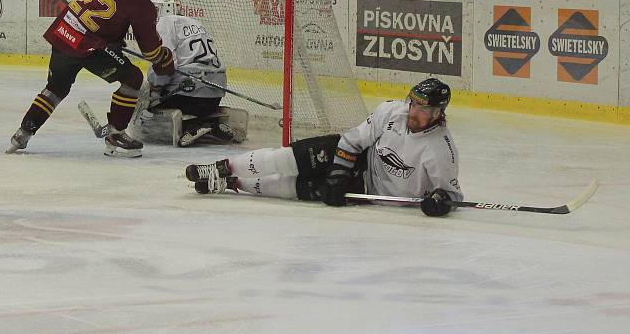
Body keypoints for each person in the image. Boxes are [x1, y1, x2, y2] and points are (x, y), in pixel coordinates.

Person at [184, 78, 462, 217]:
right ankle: (222, 167)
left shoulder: (440, 150)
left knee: (293, 188)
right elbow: (352, 141)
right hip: (353, 161)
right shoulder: (391, 112)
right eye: (413, 103)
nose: (414, 111)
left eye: (423, 108)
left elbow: (452, 194)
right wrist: (340, 171)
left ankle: (233, 184)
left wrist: (439, 203)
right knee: (287, 159)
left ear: (438, 113)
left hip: (363, 192)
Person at [7, 0, 175, 158]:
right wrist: (165, 60)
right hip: (88, 46)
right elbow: (151, 52)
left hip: (63, 32)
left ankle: (22, 133)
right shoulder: (142, 5)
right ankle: (116, 134)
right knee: (133, 78)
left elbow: (99, 13)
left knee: (55, 89)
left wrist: (111, 39)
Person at [131, 0, 247, 147]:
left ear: (164, 8)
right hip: (214, 96)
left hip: (188, 96)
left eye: (156, 9)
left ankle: (190, 127)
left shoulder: (164, 23)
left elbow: (165, 64)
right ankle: (212, 125)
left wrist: (153, 89)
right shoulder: (195, 23)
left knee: (148, 98)